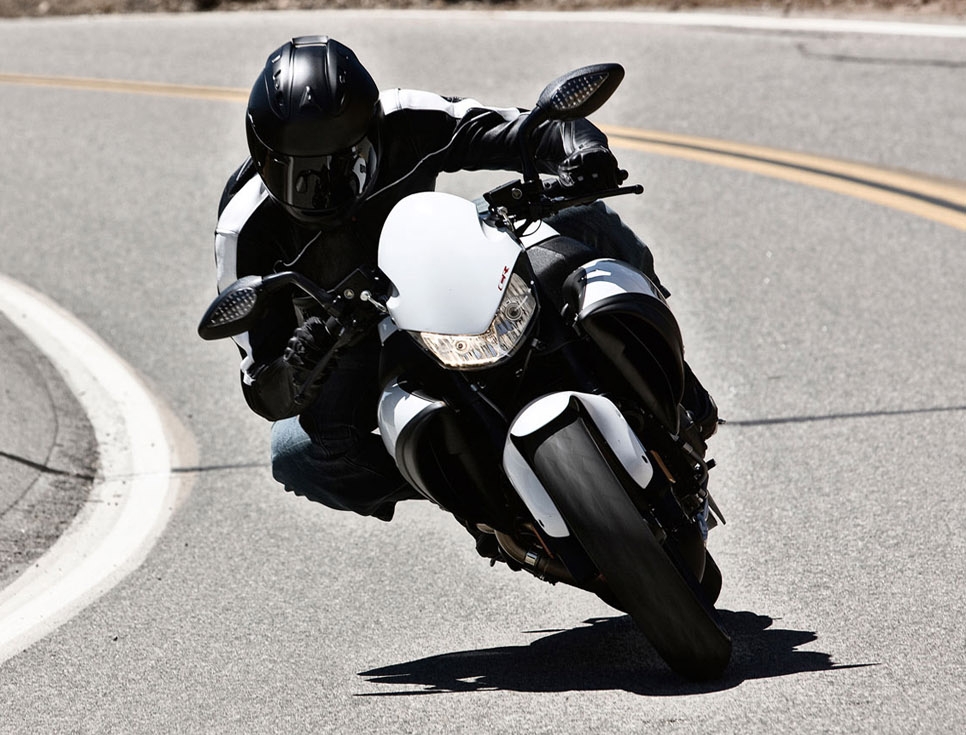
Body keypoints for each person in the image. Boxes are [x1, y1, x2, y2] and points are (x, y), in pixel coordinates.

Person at [212, 36, 716, 533]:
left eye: (347, 163)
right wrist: (298, 365)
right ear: (262, 155)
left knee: (588, 220)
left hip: (444, 262)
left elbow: (530, 129)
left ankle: (677, 393)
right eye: (301, 174)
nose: (326, 187)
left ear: (371, 127)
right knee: (296, 453)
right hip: (353, 337)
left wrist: (583, 152)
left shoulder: (403, 117)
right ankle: (474, 497)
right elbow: (261, 384)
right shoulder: (242, 229)